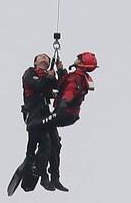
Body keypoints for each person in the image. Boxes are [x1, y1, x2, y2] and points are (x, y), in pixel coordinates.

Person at [32, 51, 99, 191]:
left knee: (36, 127)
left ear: (80, 63)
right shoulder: (81, 77)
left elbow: (69, 89)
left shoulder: (76, 78)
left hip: (62, 113)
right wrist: (60, 70)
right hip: (68, 115)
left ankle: (41, 171)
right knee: (55, 144)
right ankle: (54, 177)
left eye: (78, 59)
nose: (75, 60)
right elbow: (63, 85)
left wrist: (63, 102)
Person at [16, 53, 59, 190]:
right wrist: (49, 77)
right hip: (34, 115)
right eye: (40, 57)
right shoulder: (30, 73)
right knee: (45, 142)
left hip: (46, 115)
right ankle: (42, 175)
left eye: (46, 57)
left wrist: (60, 70)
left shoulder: (47, 77)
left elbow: (59, 87)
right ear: (35, 62)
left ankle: (54, 176)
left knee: (55, 143)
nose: (44, 58)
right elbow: (38, 85)